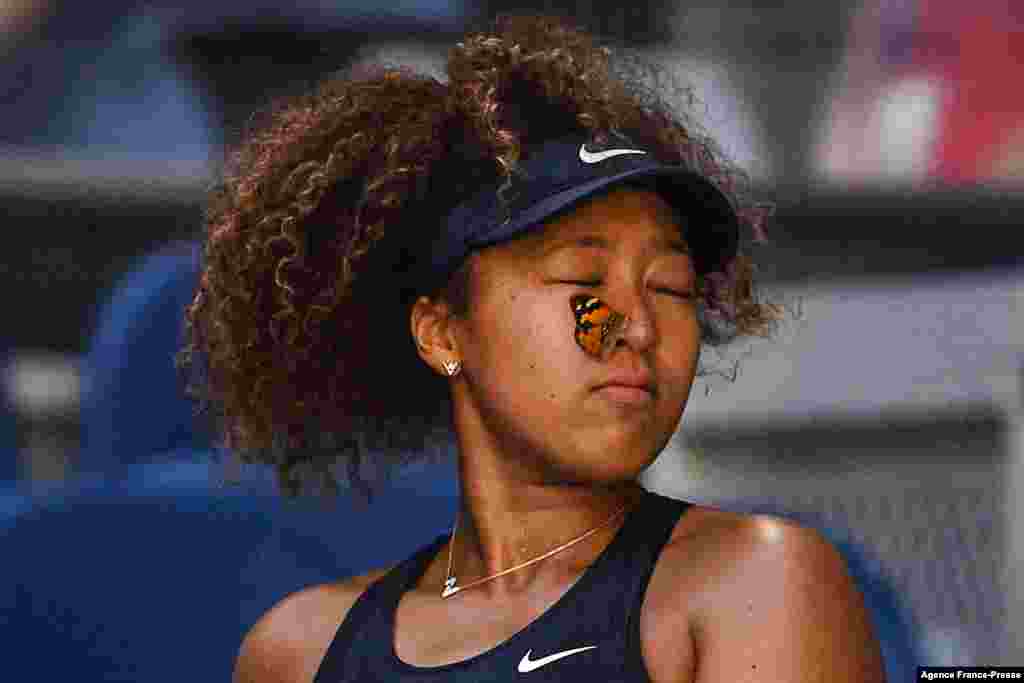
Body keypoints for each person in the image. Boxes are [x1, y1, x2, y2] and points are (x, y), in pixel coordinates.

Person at [178, 13, 886, 682]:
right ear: (442, 332)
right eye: (583, 279)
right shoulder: (303, 650)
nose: (636, 325)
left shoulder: (759, 583)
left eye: (669, 287)